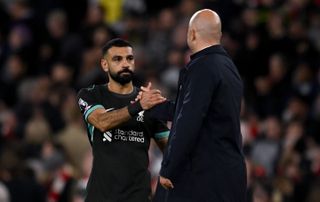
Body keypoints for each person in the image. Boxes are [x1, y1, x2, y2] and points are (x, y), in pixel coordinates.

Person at [140, 9, 247, 202]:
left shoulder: (203, 67)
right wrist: (152, 106)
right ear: (219, 36)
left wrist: (169, 167)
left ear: (192, 34)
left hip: (205, 177)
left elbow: (188, 121)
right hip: (227, 175)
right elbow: (189, 111)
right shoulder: (228, 67)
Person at [77, 38, 169, 202]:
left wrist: (169, 171)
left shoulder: (147, 102)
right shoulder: (91, 94)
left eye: (129, 58)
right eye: (117, 59)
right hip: (101, 197)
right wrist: (139, 106)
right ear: (104, 65)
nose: (125, 64)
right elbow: (102, 122)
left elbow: (169, 147)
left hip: (138, 197)